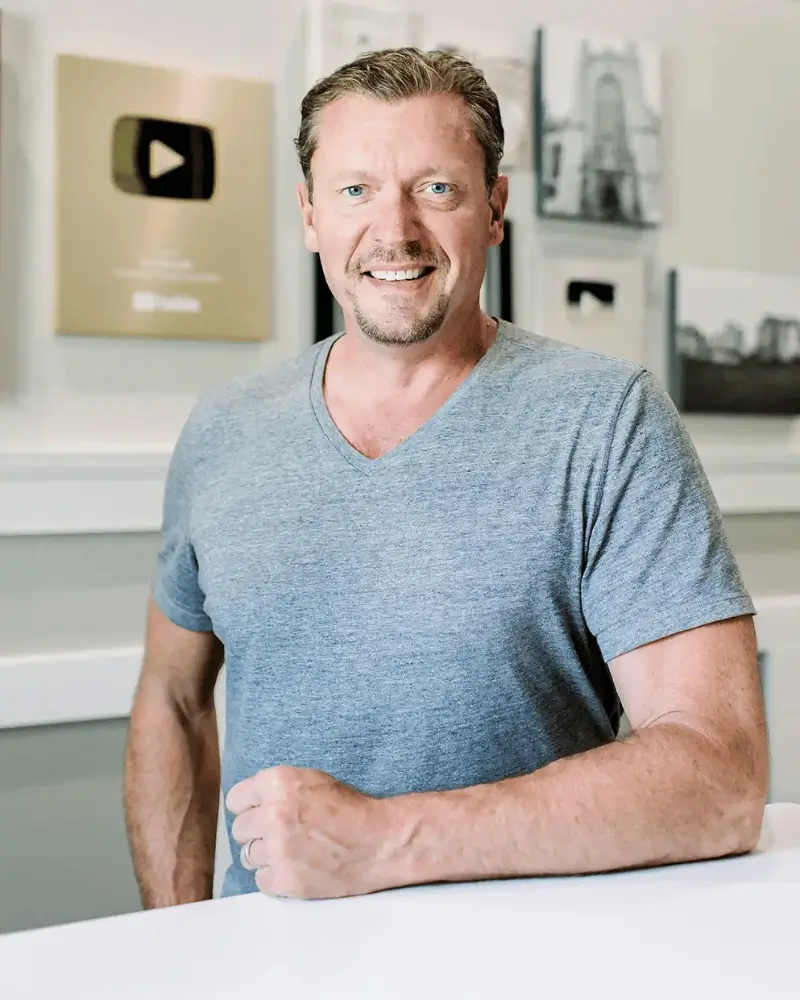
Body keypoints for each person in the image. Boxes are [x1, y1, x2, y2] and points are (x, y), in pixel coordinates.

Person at [123, 47, 768, 907]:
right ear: (310, 213)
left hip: (535, 967)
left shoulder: (608, 422)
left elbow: (721, 777)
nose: (394, 232)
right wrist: (180, 937)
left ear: (495, 209)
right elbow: (171, 699)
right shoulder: (222, 431)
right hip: (267, 971)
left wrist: (385, 841)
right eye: (355, 191)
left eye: (436, 188)